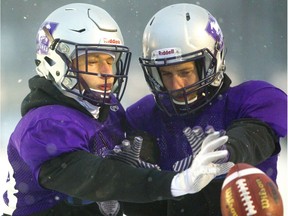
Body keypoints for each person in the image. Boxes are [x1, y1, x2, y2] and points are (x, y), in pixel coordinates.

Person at [2, 3, 234, 216]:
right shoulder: (45, 123)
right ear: (55, 62)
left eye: (110, 60)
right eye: (92, 61)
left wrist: (180, 164)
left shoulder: (107, 110)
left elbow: (130, 171)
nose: (107, 72)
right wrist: (174, 182)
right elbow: (95, 178)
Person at [124, 3, 287, 216]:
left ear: (212, 61)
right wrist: (131, 176)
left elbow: (255, 136)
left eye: (184, 72)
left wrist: (224, 151)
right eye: (166, 74)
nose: (176, 85)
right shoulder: (144, 116)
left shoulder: (250, 99)